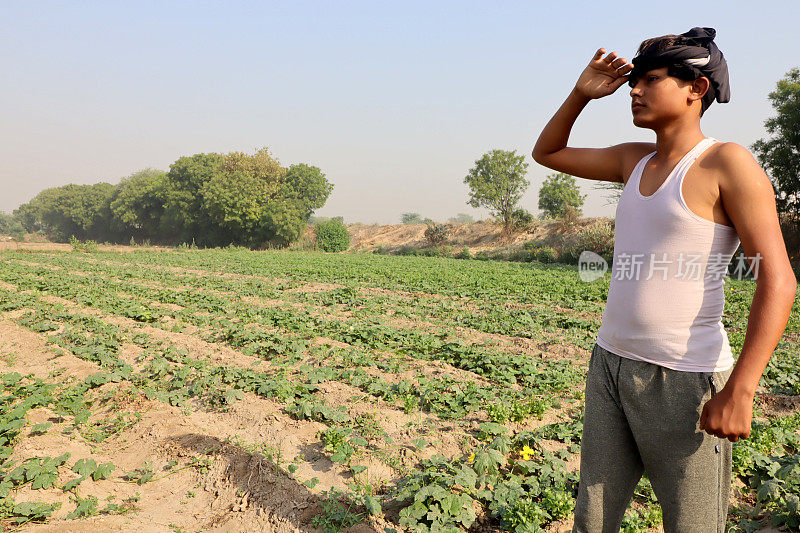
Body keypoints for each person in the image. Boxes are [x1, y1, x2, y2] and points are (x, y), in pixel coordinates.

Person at [531, 27, 797, 532]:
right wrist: (580, 94)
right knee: (593, 520)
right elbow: (548, 152)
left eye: (651, 80)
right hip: (610, 362)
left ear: (696, 88)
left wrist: (742, 388)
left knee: (692, 524)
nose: (634, 90)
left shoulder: (727, 163)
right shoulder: (634, 160)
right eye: (635, 81)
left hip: (685, 377)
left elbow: (778, 279)